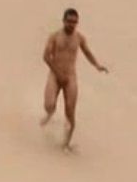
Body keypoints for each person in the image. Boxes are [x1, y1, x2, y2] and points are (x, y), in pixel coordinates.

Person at [40, 8, 109, 151]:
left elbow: (87, 53)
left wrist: (97, 65)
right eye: (69, 21)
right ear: (63, 21)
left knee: (70, 112)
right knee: (49, 105)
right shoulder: (54, 36)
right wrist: (57, 72)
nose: (72, 25)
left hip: (70, 77)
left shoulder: (79, 38)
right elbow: (46, 56)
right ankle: (50, 114)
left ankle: (65, 144)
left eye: (74, 22)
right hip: (55, 75)